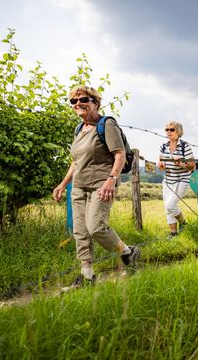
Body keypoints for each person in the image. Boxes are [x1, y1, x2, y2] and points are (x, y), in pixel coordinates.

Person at [53, 85, 140, 290]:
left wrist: (111, 180)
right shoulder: (78, 130)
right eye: (74, 101)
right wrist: (63, 184)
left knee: (96, 227)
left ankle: (128, 252)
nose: (78, 104)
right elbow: (76, 161)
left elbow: (119, 154)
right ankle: (87, 277)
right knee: (81, 233)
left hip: (101, 184)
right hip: (79, 187)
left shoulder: (106, 124)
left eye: (83, 100)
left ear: (95, 102)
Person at [157, 121, 195, 238]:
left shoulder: (185, 146)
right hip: (168, 180)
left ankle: (183, 223)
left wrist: (181, 164)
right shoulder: (163, 146)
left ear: (178, 131)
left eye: (172, 129)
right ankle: (173, 233)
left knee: (170, 205)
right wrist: (161, 165)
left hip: (182, 180)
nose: (169, 132)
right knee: (167, 207)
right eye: (167, 129)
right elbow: (161, 162)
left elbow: (192, 166)